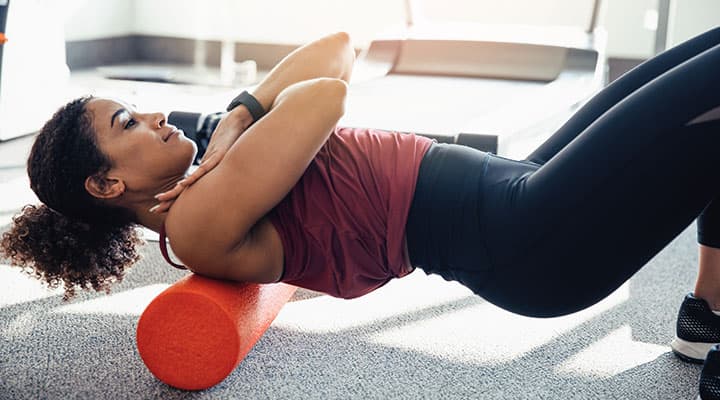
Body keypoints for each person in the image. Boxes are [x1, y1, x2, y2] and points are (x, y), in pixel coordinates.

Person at [1, 28, 720, 394]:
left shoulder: (211, 174)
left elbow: (339, 47)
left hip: (519, 189)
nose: (154, 113)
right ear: (105, 186)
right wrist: (236, 124)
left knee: (704, 60)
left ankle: (709, 312)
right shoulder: (197, 221)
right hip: (529, 235)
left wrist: (233, 118)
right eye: (127, 122)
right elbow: (325, 95)